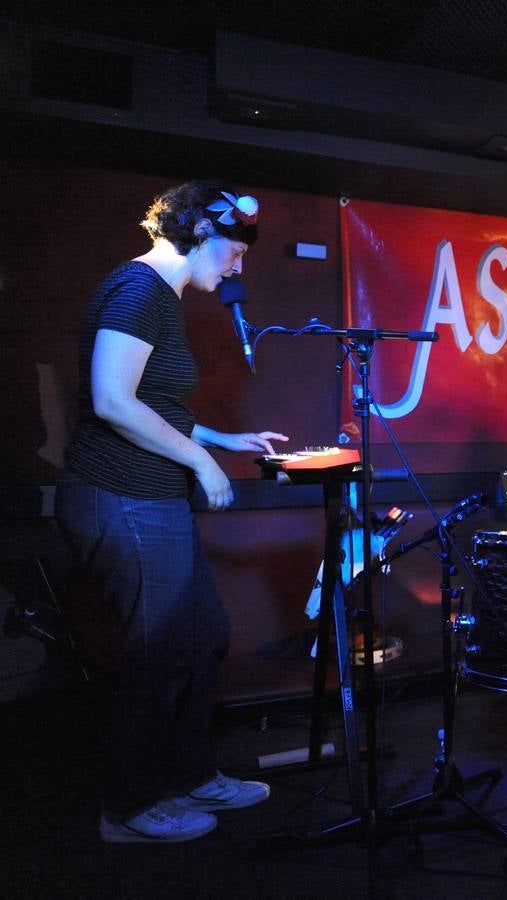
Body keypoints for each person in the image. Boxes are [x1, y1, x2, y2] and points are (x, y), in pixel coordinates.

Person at [56, 181, 288, 843]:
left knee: (201, 636)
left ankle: (188, 774)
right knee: (157, 653)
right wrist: (200, 461)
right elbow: (112, 400)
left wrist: (221, 440)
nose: (239, 264)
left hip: (150, 499)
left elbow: (153, 400)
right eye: (235, 249)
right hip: (120, 498)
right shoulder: (139, 291)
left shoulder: (158, 297)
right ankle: (128, 809)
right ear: (196, 231)